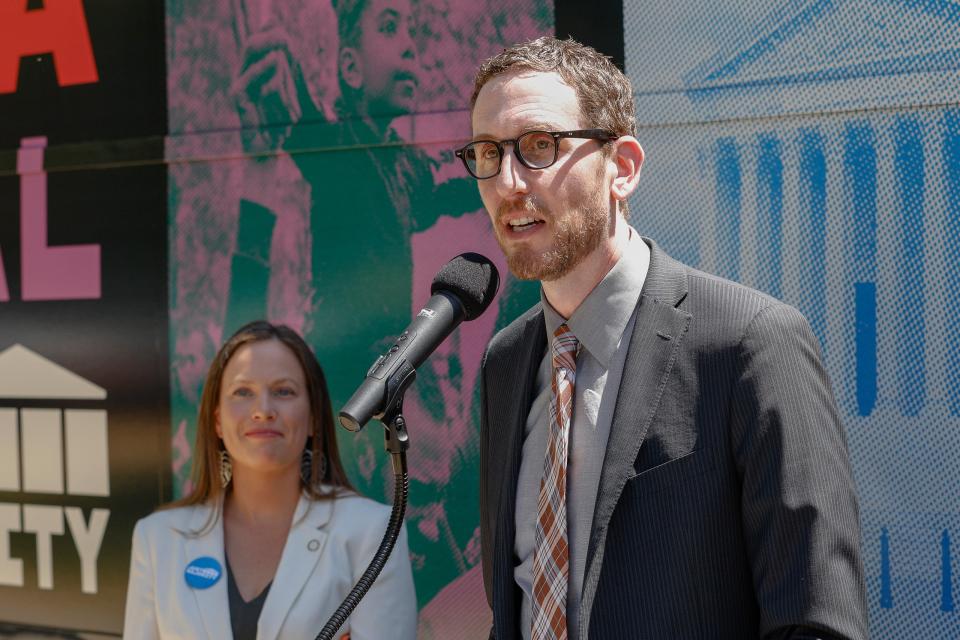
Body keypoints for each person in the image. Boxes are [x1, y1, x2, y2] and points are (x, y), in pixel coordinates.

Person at [461, 37, 869, 639]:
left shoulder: (751, 342)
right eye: (488, 153)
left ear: (621, 168)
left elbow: (817, 622)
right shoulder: (508, 362)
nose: (508, 182)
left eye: (539, 147)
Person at [123, 321, 417, 640]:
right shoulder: (157, 538)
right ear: (218, 420)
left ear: (314, 419)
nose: (263, 410)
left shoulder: (371, 533)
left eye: (283, 391)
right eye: (243, 392)